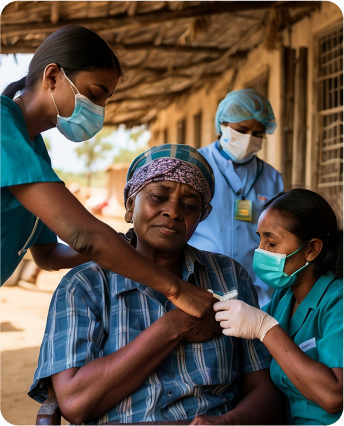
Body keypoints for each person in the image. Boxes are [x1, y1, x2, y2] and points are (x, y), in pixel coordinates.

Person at [29, 144, 283, 426]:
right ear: (130, 204)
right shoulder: (83, 285)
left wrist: (228, 422)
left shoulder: (229, 277)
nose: (173, 212)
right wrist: (174, 326)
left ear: (202, 216)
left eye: (189, 206)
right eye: (158, 197)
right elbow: (75, 404)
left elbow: (263, 387)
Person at [0, 25, 213, 318]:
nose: (100, 110)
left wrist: (126, 247)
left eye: (105, 100)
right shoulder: (3, 127)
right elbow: (84, 235)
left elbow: (48, 255)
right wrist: (174, 288)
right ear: (52, 76)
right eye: (95, 94)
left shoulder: (37, 154)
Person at [214, 189, 344, 425]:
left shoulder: (338, 300)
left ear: (312, 249)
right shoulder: (285, 296)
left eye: (271, 242)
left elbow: (333, 396)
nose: (261, 251)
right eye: (260, 240)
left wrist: (265, 328)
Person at [189, 89, 284, 307]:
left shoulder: (272, 177)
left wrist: (266, 289)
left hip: (255, 290)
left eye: (258, 133)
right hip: (199, 284)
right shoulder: (195, 164)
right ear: (222, 124)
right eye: (242, 129)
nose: (250, 138)